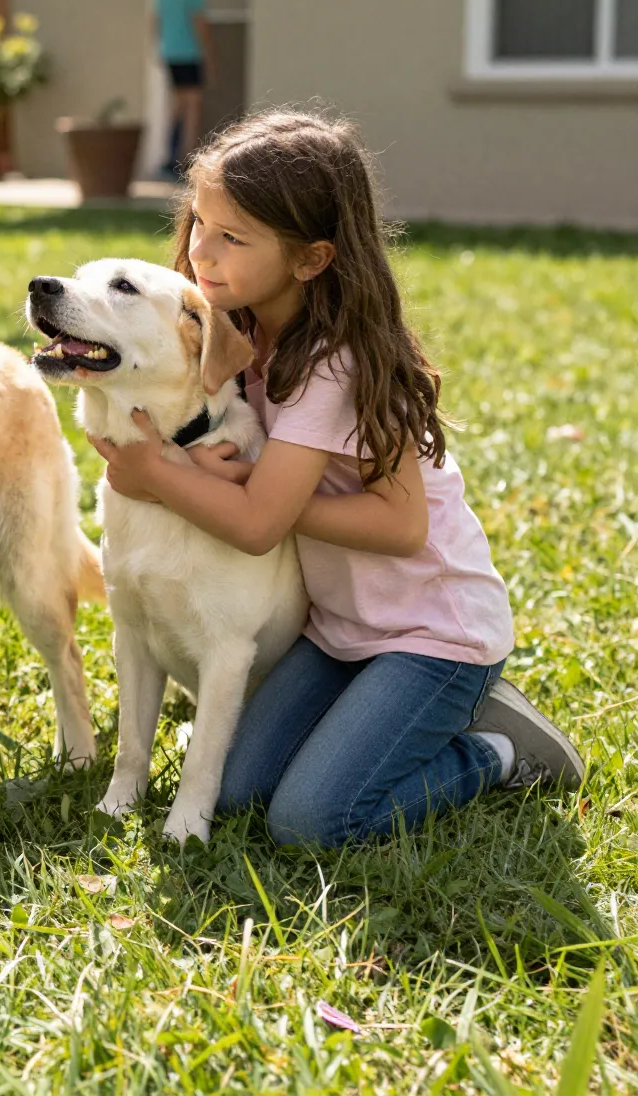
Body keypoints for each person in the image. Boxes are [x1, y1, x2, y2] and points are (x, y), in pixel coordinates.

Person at [88, 108, 584, 848]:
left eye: (232, 238)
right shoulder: (243, 332)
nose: (201, 255)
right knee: (236, 791)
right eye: (200, 225)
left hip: (430, 637)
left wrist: (185, 477)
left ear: (311, 259)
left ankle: (494, 750)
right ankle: (380, 718)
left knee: (313, 820)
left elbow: (364, 525)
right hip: (336, 633)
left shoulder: (333, 364)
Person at [153, 0, 215, 179]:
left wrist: (160, 49)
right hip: (189, 53)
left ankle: (170, 157)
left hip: (170, 54)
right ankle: (187, 161)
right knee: (193, 106)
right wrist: (210, 57)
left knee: (178, 105)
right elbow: (201, 26)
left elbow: (155, 22)